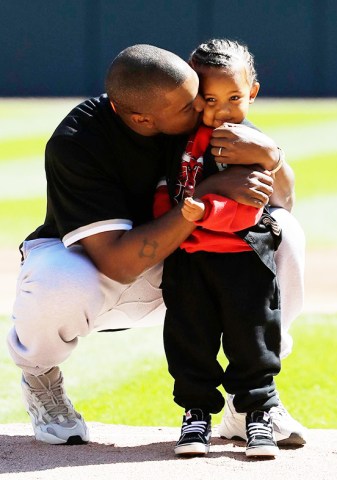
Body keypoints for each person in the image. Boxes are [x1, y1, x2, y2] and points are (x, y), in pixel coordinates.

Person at [6, 44, 304, 446]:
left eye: (197, 94)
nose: (200, 106)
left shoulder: (200, 114)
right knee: (57, 280)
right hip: (100, 270)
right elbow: (118, 263)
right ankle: (40, 374)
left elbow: (280, 200)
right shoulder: (78, 141)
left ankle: (250, 402)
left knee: (282, 231)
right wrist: (209, 189)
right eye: (187, 105)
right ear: (142, 118)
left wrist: (273, 156)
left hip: (184, 267)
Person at [154, 38, 288, 457]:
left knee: (253, 339)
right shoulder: (179, 141)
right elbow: (164, 192)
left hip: (243, 256)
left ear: (252, 92)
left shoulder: (250, 144)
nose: (221, 109)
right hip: (188, 258)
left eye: (233, 97)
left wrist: (199, 210)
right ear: (195, 99)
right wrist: (172, 213)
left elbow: (249, 209)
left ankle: (257, 416)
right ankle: (196, 414)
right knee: (189, 336)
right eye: (208, 99)